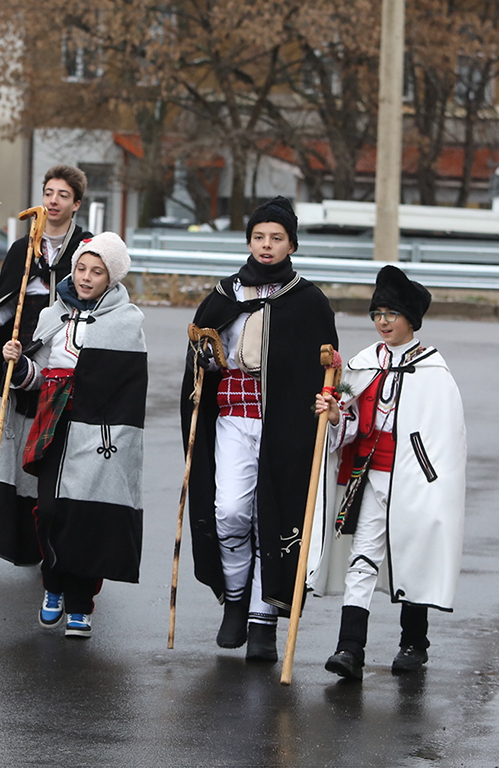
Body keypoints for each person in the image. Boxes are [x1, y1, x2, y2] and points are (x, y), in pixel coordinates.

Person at [180, 196, 337, 662]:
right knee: (230, 511)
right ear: (248, 240)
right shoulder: (225, 294)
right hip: (232, 418)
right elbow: (199, 359)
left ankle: (262, 619)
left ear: (292, 244)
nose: (266, 246)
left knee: (271, 516)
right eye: (259, 237)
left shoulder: (307, 301)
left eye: (277, 238)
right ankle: (233, 600)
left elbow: (325, 366)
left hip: (282, 426)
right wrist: (203, 359)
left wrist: (327, 398)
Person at [311, 266, 466, 680]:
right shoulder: (363, 366)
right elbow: (349, 427)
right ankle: (349, 649)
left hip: (415, 483)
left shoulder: (433, 371)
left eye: (391, 314)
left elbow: (444, 437)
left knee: (412, 558)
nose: (382, 321)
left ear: (410, 320)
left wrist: (430, 479)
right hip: (369, 479)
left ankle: (414, 644)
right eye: (377, 313)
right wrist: (333, 416)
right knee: (362, 559)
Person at [1, 233, 146, 639]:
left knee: (88, 518)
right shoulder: (52, 315)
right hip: (53, 425)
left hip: (99, 435)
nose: (85, 277)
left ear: (111, 278)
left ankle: (81, 603)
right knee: (49, 511)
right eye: (81, 267)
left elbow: (128, 391)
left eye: (96, 271)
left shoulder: (127, 321)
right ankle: (54, 584)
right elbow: (37, 376)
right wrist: (20, 365)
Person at [0, 164, 92, 565]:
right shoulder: (25, 248)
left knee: (65, 456)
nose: (53, 201)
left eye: (62, 195)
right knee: (23, 453)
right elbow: (6, 306)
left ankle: (68, 546)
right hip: (27, 366)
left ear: (76, 204)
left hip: (71, 363)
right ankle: (26, 541)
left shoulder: (87, 249)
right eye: (48, 192)